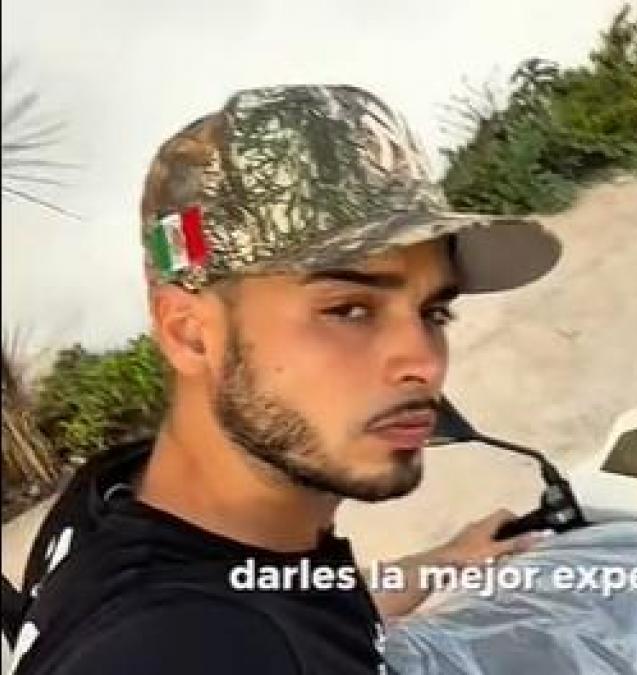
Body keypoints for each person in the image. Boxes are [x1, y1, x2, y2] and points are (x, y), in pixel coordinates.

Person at [5, 84, 562, 675]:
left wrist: (443, 560)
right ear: (190, 334)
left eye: (434, 312)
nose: (423, 362)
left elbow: (286, 596)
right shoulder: (173, 651)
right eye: (349, 310)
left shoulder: (120, 495)